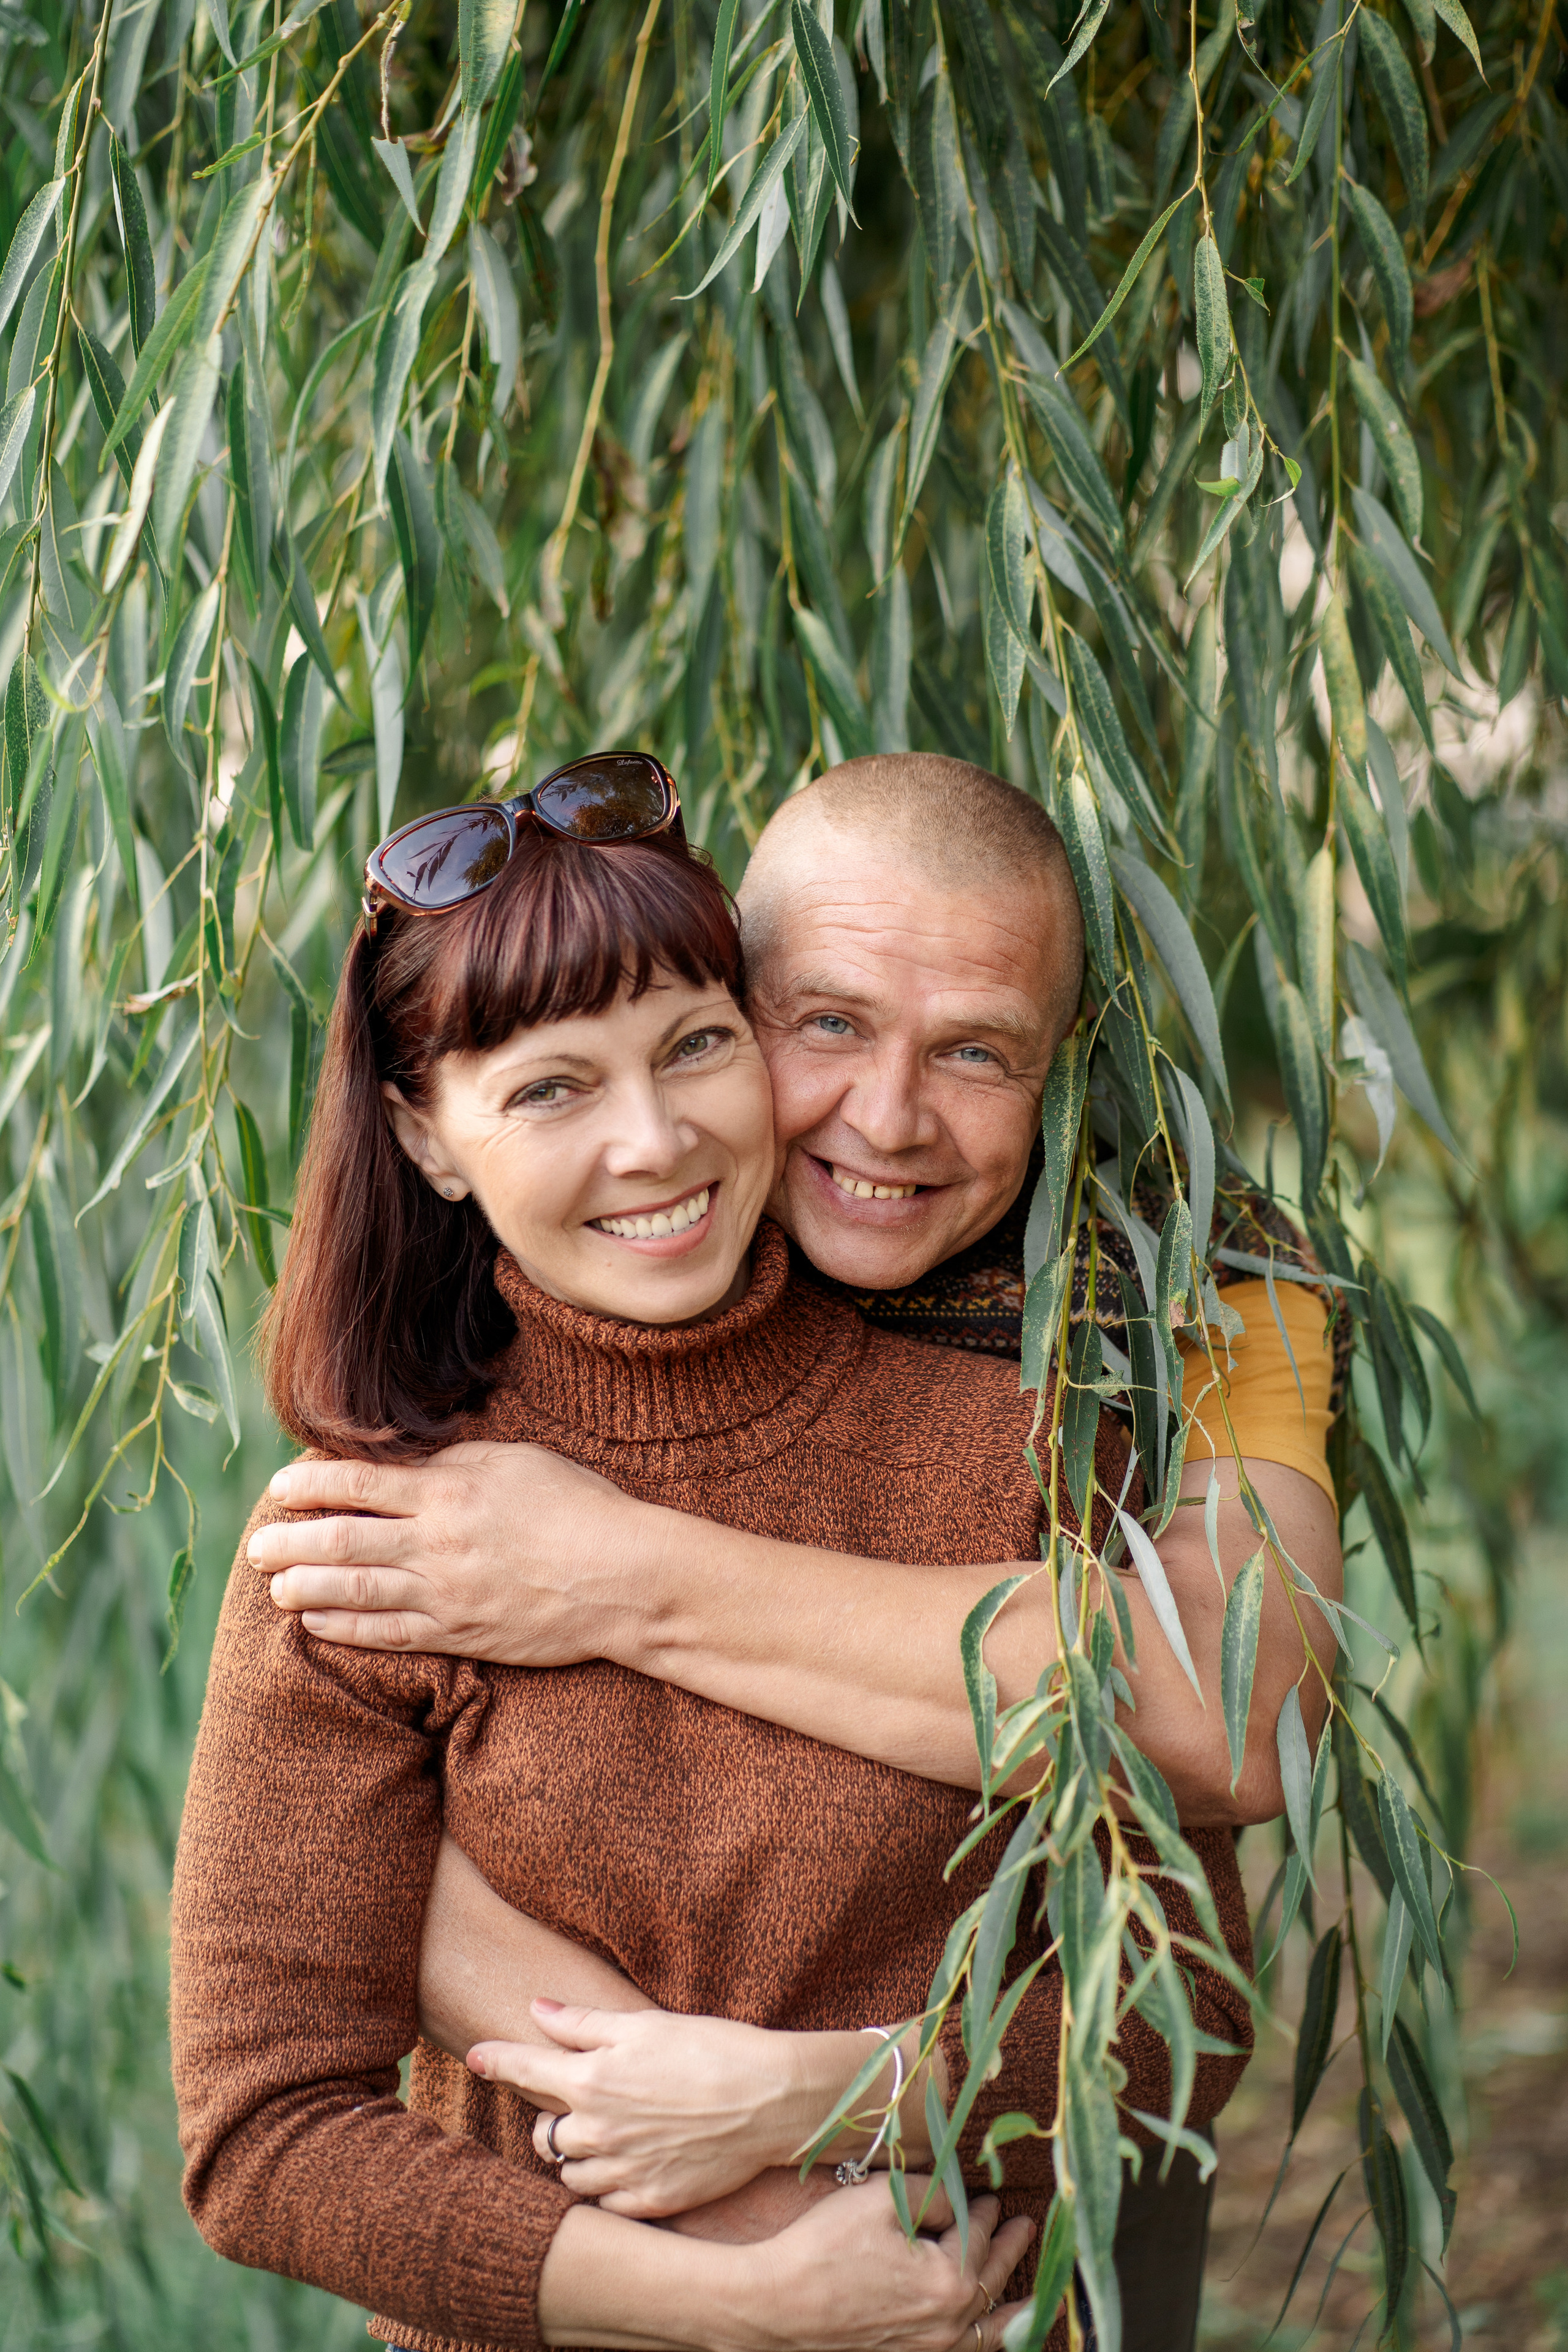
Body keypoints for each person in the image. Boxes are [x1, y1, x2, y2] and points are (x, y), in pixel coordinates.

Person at [170, 757, 1258, 2352]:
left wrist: (847, 2100)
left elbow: (1187, 2007)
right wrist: (739, 2301)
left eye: (692, 1051)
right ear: (427, 1137)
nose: (657, 1141)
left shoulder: (1026, 1448)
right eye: (551, 1089)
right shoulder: (378, 1539)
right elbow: (266, 2130)